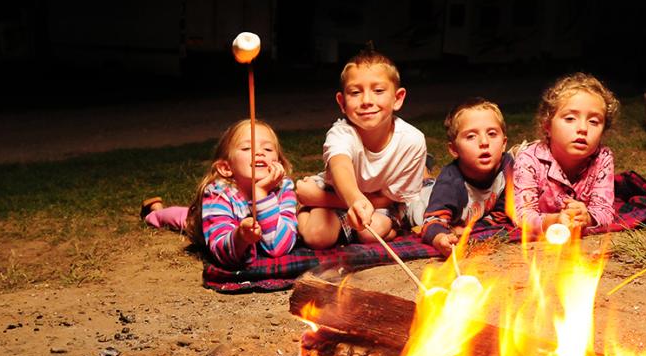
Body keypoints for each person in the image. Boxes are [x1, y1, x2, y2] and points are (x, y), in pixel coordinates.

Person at [296, 49, 426, 249]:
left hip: (380, 204)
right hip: (336, 192)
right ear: (342, 102)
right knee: (317, 237)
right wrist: (354, 200)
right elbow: (341, 166)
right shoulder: (340, 133)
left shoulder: (412, 141)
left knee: (368, 233)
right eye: (355, 92)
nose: (366, 101)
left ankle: (319, 207)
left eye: (379, 90)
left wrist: (317, 197)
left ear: (397, 98)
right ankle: (300, 208)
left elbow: (391, 201)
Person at [141, 119, 297, 268]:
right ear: (226, 168)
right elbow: (222, 252)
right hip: (205, 221)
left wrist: (261, 192)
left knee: (186, 214)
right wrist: (240, 238)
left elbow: (278, 247)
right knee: (187, 219)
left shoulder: (284, 189)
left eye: (268, 149)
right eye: (246, 148)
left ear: (279, 163)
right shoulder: (218, 194)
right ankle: (156, 211)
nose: (259, 152)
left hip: (228, 216)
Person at [513, 72, 620, 235]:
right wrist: (554, 221)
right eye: (570, 118)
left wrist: (588, 218)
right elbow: (522, 215)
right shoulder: (529, 160)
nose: (583, 128)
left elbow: (605, 212)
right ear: (547, 126)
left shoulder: (602, 158)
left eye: (594, 121)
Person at [421, 98, 514, 257]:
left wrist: (475, 227)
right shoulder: (450, 181)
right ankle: (422, 167)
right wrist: (440, 238)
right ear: (454, 149)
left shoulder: (507, 167)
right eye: (471, 136)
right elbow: (431, 222)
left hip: (465, 214)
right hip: (421, 201)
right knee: (419, 190)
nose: (484, 142)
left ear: (504, 143)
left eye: (492, 134)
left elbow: (501, 212)